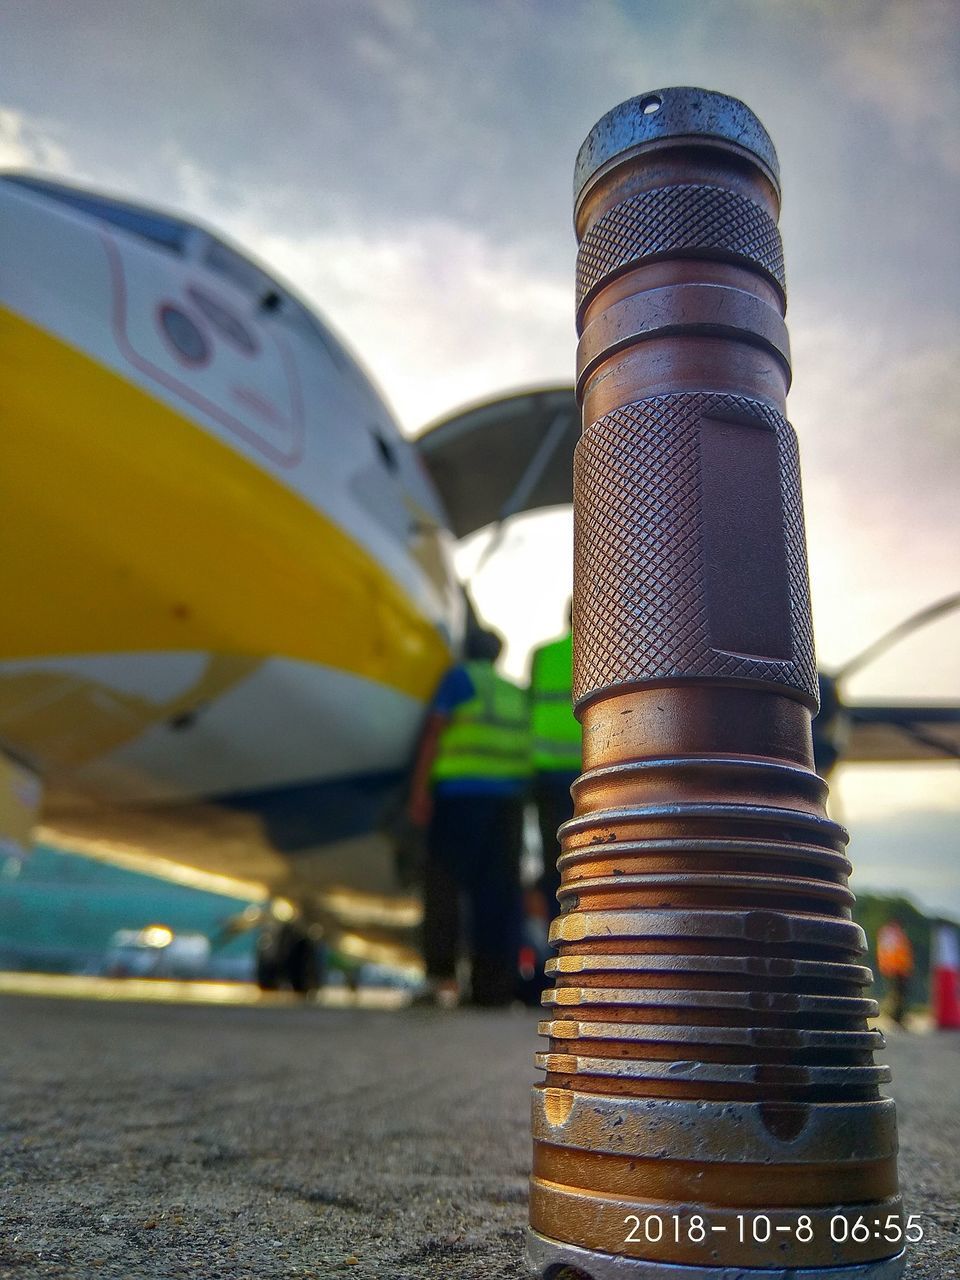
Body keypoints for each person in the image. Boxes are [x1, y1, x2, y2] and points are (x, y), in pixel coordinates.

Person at [406, 626, 530, 1007]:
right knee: (495, 894)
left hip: (460, 798)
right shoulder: (514, 692)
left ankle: (440, 978)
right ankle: (490, 988)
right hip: (508, 802)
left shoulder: (459, 679)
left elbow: (434, 732)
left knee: (444, 886)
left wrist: (419, 790)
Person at [529, 607, 581, 919]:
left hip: (547, 773)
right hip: (590, 772)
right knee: (591, 851)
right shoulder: (603, 652)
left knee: (555, 857)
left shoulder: (543, 655)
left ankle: (556, 923)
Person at [877, 919, 915, 1028]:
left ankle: (897, 1016)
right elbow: (889, 953)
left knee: (899, 995)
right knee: (897, 995)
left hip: (899, 969)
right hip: (895, 969)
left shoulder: (893, 935)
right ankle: (895, 1016)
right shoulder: (892, 935)